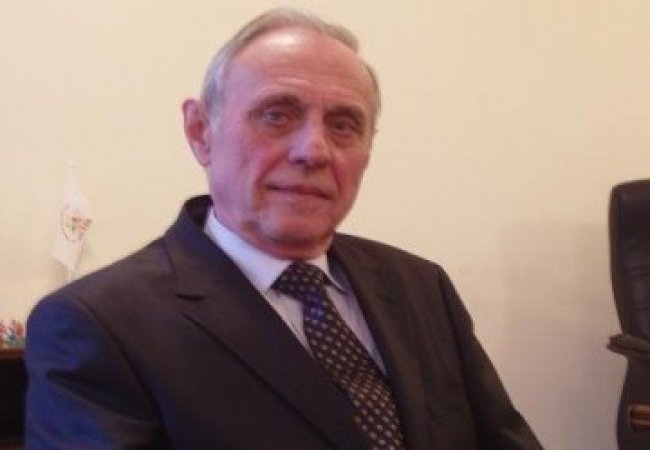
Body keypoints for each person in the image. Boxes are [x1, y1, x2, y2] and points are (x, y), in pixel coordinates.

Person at [25, 8, 542, 450]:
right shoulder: (98, 325)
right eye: (276, 115)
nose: (314, 151)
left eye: (343, 124)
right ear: (201, 132)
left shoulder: (420, 287)